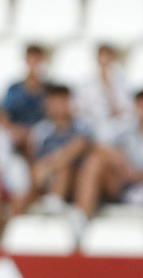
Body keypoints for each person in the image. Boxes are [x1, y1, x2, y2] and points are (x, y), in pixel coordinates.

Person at [72, 90, 143, 235]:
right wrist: (119, 161)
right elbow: (98, 146)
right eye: (140, 105)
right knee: (94, 161)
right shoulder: (125, 130)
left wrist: (138, 175)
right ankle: (81, 220)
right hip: (125, 187)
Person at [16, 84, 92, 216]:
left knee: (64, 169)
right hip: (46, 180)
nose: (59, 106)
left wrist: (50, 165)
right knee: (21, 194)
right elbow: (34, 163)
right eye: (55, 102)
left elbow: (80, 147)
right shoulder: (40, 131)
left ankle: (55, 204)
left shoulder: (82, 127)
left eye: (63, 101)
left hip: (77, 180)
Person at [1, 45, 48, 146]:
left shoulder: (50, 90)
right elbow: (3, 116)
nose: (34, 65)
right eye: (31, 60)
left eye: (37, 60)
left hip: (41, 134)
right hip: (18, 133)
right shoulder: (13, 90)